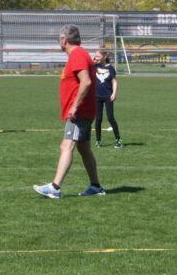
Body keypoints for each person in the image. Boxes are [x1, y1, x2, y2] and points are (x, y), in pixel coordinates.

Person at [33, 25, 105, 199]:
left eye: (60, 39)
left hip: (79, 113)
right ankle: (95, 186)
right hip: (83, 111)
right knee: (83, 148)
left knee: (66, 145)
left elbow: (86, 82)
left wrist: (74, 106)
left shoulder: (78, 55)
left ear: (64, 40)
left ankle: (55, 187)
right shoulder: (78, 54)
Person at [93, 49, 122, 148]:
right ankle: (98, 140)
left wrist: (114, 93)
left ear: (104, 56)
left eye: (98, 56)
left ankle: (118, 140)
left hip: (107, 96)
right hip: (96, 96)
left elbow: (114, 82)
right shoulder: (94, 66)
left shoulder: (110, 68)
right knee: (98, 119)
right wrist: (93, 61)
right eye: (95, 56)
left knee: (110, 118)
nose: (96, 57)